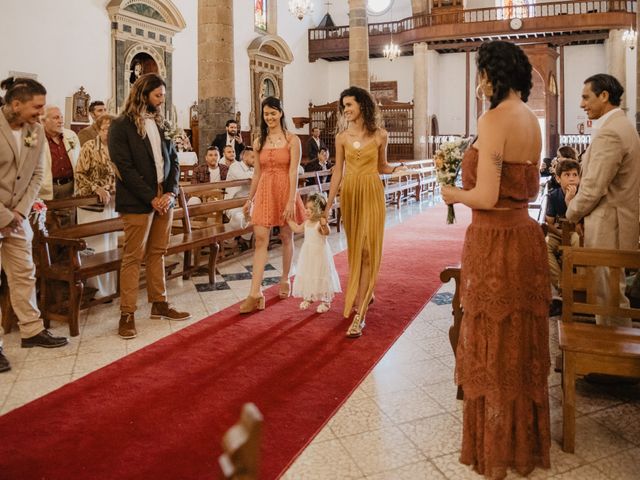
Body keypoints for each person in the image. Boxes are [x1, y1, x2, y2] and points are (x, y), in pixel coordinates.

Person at [441, 41, 551, 478]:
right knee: (519, 336)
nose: (480, 81)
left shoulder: (492, 120)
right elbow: (532, 188)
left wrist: (452, 194)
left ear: (494, 75)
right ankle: (524, 440)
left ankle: (495, 449)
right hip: (525, 234)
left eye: (483, 72)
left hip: (494, 237)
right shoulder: (530, 120)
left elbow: (485, 196)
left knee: (490, 334)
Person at [108, 73, 190, 339]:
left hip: (162, 195)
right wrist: (150, 197)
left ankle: (159, 303)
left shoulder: (162, 122)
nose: (161, 101)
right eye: (158, 96)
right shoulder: (121, 125)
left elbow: (174, 161)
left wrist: (170, 191)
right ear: (143, 94)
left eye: (163, 96)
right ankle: (127, 313)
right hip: (137, 198)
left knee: (158, 251)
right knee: (133, 256)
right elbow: (125, 168)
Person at [324, 86, 405, 338]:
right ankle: (365, 291)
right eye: (344, 106)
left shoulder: (381, 135)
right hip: (350, 193)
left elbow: (382, 165)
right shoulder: (341, 138)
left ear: (362, 105)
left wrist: (396, 170)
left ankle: (360, 313)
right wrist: (327, 206)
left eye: (349, 105)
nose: (346, 110)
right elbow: (338, 171)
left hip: (371, 191)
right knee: (357, 248)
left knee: (369, 249)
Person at [0, 77, 68, 372]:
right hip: (3, 214)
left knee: (24, 273)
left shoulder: (36, 130)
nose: (41, 114)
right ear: (16, 104)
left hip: (17, 215)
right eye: (36, 107)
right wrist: (4, 216)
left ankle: (31, 330)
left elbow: (39, 175)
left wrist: (19, 212)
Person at [565, 73, 640, 327]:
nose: (582, 104)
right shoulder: (621, 126)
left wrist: (571, 213)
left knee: (608, 298)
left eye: (587, 97)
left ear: (604, 96)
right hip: (613, 222)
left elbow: (593, 188)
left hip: (609, 225)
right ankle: (613, 353)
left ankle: (612, 356)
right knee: (610, 296)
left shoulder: (612, 133)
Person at [239, 96, 305, 313]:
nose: (269, 117)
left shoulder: (292, 140)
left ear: (281, 113)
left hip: (286, 189)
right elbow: (257, 173)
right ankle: (255, 293)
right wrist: (250, 199)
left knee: (286, 236)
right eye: (266, 114)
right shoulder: (259, 141)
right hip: (266, 190)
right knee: (260, 239)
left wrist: (290, 201)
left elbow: (294, 171)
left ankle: (285, 278)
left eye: (273, 113)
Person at [75, 113, 118, 298]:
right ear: (98, 129)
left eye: (111, 128)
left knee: (110, 246)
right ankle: (95, 291)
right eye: (104, 128)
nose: (107, 132)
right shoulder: (89, 146)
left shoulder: (118, 148)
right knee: (95, 248)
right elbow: (79, 174)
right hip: (91, 204)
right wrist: (97, 188)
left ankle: (110, 290)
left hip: (111, 204)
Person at [287, 193, 341, 314]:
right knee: (309, 273)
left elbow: (326, 232)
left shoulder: (319, 224)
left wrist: (323, 224)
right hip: (308, 254)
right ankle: (309, 296)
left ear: (318, 211)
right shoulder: (307, 223)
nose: (307, 211)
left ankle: (326, 301)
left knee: (321, 274)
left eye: (310, 209)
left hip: (320, 255)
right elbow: (296, 229)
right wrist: (288, 220)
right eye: (306, 208)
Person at [545, 158, 582, 304]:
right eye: (567, 175)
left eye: (575, 175)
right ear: (558, 178)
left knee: (578, 244)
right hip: (558, 233)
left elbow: (580, 221)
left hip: (577, 233)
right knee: (544, 247)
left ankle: (580, 287)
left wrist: (570, 200)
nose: (572, 179)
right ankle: (562, 286)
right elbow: (550, 223)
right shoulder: (554, 195)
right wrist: (560, 234)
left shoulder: (583, 195)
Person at [39, 105, 81, 202]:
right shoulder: (35, 139)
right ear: (43, 121)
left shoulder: (71, 135)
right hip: (46, 190)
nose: (61, 121)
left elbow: (80, 160)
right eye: (56, 118)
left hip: (71, 188)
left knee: (69, 216)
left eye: (61, 117)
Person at [226, 147, 255, 246]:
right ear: (245, 158)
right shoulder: (235, 166)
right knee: (240, 217)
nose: (255, 160)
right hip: (232, 204)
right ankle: (228, 240)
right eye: (253, 157)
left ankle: (244, 239)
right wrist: (257, 174)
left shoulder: (252, 168)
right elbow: (242, 176)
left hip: (247, 204)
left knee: (256, 216)